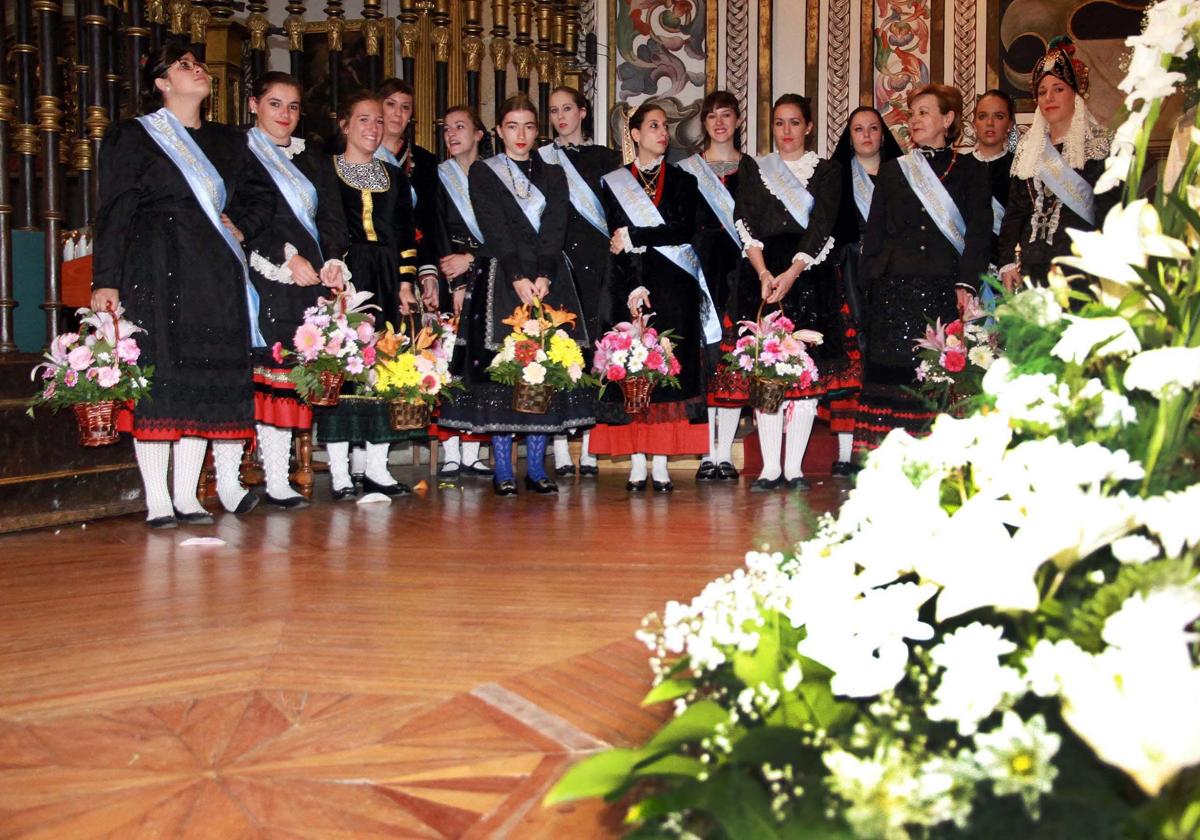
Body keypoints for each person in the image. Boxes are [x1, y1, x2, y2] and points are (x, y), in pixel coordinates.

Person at [91, 41, 275, 527]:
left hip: (214, 272)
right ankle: (157, 500)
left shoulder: (229, 141)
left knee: (205, 378)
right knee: (164, 379)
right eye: (184, 66)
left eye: (199, 64)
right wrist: (105, 279)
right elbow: (114, 211)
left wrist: (241, 225)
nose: (198, 71)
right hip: (156, 265)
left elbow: (262, 198)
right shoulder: (132, 136)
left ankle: (189, 496)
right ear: (161, 83)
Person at [439, 93, 595, 496]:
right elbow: (494, 228)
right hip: (502, 279)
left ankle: (538, 469)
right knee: (504, 372)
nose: (521, 134)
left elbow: (555, 226)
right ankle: (504, 468)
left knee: (548, 367)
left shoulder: (554, 174)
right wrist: (517, 276)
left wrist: (543, 274)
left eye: (528, 126)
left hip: (549, 280)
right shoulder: (483, 173)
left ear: (537, 130)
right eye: (512, 126)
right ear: (498, 131)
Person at [591, 100, 721, 493]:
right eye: (652, 126)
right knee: (633, 370)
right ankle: (635, 460)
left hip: (675, 283)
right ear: (634, 134)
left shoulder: (683, 181)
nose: (662, 133)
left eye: (665, 126)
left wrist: (640, 235)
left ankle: (661, 461)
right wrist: (633, 286)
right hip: (631, 284)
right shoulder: (614, 181)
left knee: (669, 369)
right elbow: (617, 239)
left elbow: (685, 230)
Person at [855, 83, 991, 452]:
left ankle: (937, 458)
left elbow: (979, 234)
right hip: (894, 292)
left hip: (943, 289)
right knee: (893, 373)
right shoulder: (894, 170)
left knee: (937, 375)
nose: (914, 120)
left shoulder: (971, 171)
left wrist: (967, 283)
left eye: (924, 112)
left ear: (947, 119)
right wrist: (873, 281)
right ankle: (886, 459)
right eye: (912, 113)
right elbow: (876, 231)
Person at [731, 94, 850, 491]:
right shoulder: (754, 168)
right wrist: (764, 272)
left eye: (794, 123)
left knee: (805, 373)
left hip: (808, 273)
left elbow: (823, 225)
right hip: (762, 275)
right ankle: (768, 468)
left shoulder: (829, 171)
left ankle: (794, 468)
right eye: (779, 123)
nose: (786, 131)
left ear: (809, 127)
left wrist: (793, 272)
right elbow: (743, 220)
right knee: (766, 370)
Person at [243, 71, 350, 508]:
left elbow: (332, 218)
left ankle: (282, 475)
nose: (284, 114)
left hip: (312, 279)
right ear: (254, 104)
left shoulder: (313, 157)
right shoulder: (241, 153)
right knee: (272, 374)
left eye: (292, 106)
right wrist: (286, 257)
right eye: (274, 104)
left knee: (296, 375)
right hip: (266, 272)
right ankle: (273, 477)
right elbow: (242, 216)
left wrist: (332, 259)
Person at [315, 92, 421, 499]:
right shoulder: (325, 171)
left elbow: (404, 235)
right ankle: (341, 472)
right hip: (344, 274)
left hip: (385, 274)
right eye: (364, 120)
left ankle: (377, 468)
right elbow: (321, 224)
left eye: (379, 121)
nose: (374, 128)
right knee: (343, 369)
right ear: (345, 124)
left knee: (386, 370)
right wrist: (332, 273)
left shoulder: (396, 177)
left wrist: (406, 282)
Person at [540, 86, 621, 479]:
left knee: (593, 353)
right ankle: (559, 446)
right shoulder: (540, 160)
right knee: (558, 351)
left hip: (597, 264)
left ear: (583, 112)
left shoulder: (606, 158)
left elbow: (617, 210)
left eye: (567, 108)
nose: (561, 117)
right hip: (558, 265)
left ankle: (589, 446)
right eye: (554, 111)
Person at [998, 37, 1112, 290]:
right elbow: (1015, 211)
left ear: (1076, 94)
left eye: (1058, 89)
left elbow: (1109, 212)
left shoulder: (1100, 147)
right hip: (1031, 267)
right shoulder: (1028, 150)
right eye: (1042, 91)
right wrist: (1006, 262)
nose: (1049, 97)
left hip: (1082, 269)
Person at [828, 106, 902, 475]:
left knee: (888, 360)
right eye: (859, 129)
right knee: (853, 362)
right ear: (850, 135)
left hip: (894, 275)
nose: (867, 135)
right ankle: (848, 451)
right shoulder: (837, 175)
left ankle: (888, 445)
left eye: (873, 128)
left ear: (883, 133)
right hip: (850, 273)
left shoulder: (904, 173)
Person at [679, 90, 744, 484]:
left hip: (739, 271)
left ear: (737, 121)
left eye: (726, 115)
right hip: (697, 269)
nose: (719, 123)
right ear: (703, 123)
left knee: (733, 358)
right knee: (703, 358)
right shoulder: (687, 170)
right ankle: (707, 452)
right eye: (711, 116)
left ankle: (726, 453)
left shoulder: (753, 169)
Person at [431, 104, 493, 481]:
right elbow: (434, 229)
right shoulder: (437, 177)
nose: (451, 134)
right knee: (447, 362)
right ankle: (451, 450)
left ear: (479, 134)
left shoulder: (497, 175)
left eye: (460, 126)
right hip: (448, 274)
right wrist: (455, 281)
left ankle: (473, 448)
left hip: (487, 271)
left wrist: (473, 261)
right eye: (446, 128)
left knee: (480, 362)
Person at [377, 78, 440, 311]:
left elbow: (428, 220)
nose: (397, 114)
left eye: (405, 107)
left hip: (412, 262)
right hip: (372, 261)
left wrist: (428, 272)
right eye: (390, 104)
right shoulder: (359, 154)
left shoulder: (424, 161)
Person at [971, 89, 1017, 272]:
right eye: (982, 116)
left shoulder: (1020, 168)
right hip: (964, 267)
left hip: (1007, 266)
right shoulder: (958, 167)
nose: (989, 123)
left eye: (998, 116)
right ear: (974, 123)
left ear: (1010, 124)